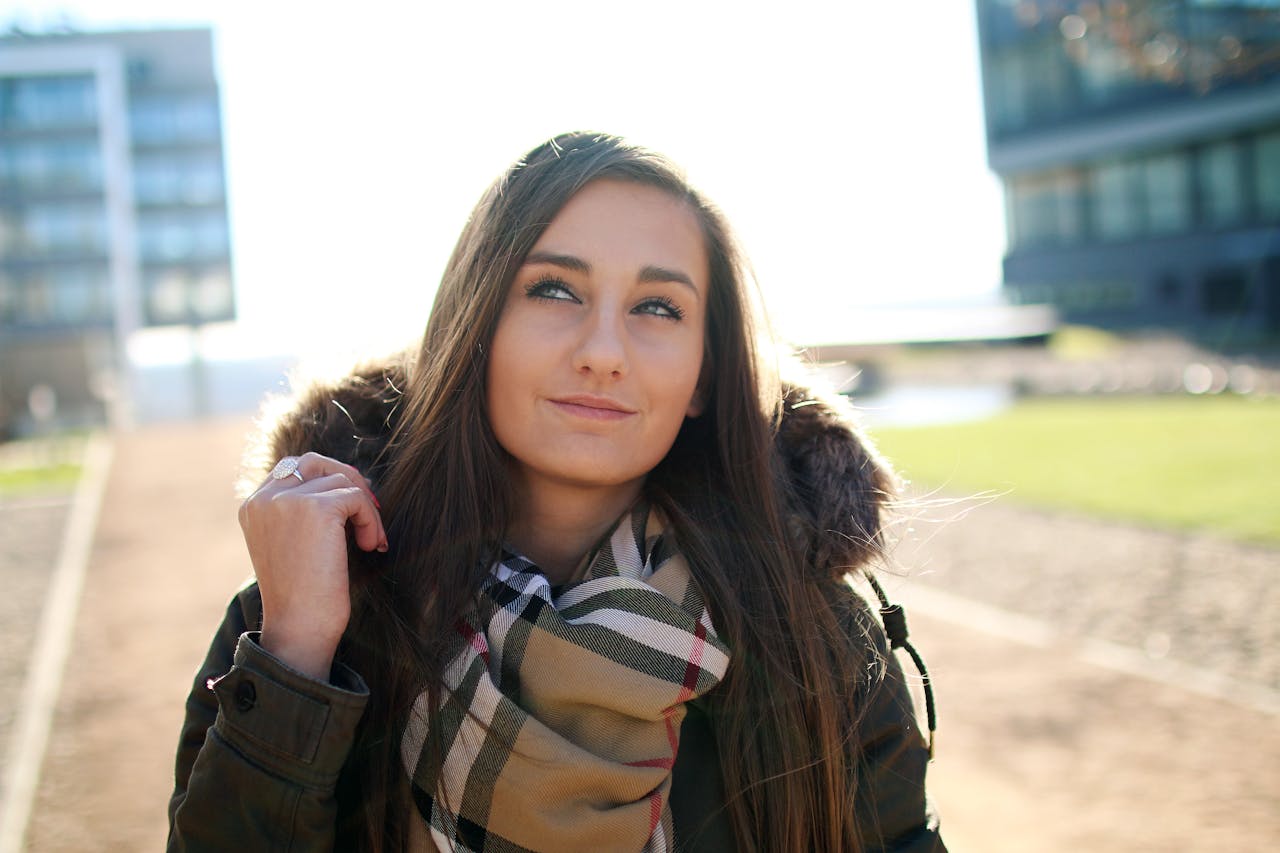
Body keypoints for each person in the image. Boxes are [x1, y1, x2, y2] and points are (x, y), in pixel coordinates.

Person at [168, 132, 945, 852]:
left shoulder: (809, 632)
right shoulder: (307, 616)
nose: (604, 352)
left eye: (657, 307)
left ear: (703, 374)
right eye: (554, 290)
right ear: (476, 326)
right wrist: (298, 658)